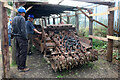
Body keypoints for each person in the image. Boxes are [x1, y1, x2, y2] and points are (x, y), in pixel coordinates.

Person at [12, 6, 29, 72]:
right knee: (23, 52)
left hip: (16, 37)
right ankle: (22, 67)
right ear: (23, 13)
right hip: (22, 38)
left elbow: (13, 29)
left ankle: (19, 66)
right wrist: (26, 38)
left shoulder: (14, 18)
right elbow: (23, 30)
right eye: (24, 13)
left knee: (18, 52)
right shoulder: (22, 18)